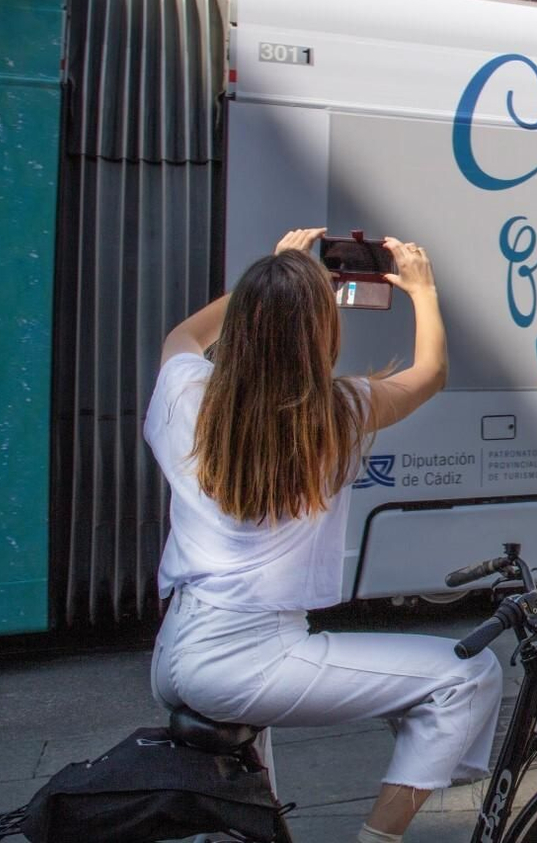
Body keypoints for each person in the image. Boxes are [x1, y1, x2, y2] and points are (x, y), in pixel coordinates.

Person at [146, 228, 502, 843]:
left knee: (255, 814)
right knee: (468, 674)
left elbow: (183, 337)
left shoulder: (186, 393)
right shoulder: (337, 413)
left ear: (246, 322)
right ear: (321, 335)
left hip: (177, 649)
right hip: (252, 658)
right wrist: (422, 289)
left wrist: (275, 275)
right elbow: (432, 372)